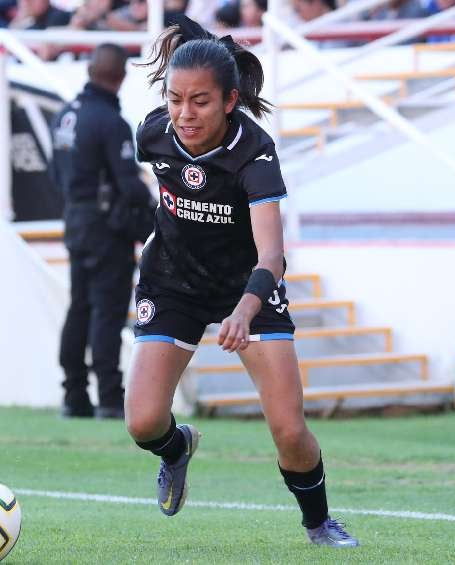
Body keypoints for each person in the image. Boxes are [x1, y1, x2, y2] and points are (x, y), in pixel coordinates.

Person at [125, 16, 359, 547]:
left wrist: (245, 310)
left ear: (230, 100)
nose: (184, 113)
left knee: (288, 430)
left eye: (200, 101)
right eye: (175, 99)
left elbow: (272, 253)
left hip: (247, 288)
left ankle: (319, 523)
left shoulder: (254, 152)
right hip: (173, 283)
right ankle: (176, 449)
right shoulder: (153, 134)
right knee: (142, 421)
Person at [50, 44, 154, 420]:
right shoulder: (110, 121)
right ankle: (110, 396)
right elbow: (129, 184)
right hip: (107, 227)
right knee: (107, 311)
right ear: (120, 77)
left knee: (80, 306)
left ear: (91, 71)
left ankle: (74, 395)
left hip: (75, 219)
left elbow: (56, 175)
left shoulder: (65, 115)